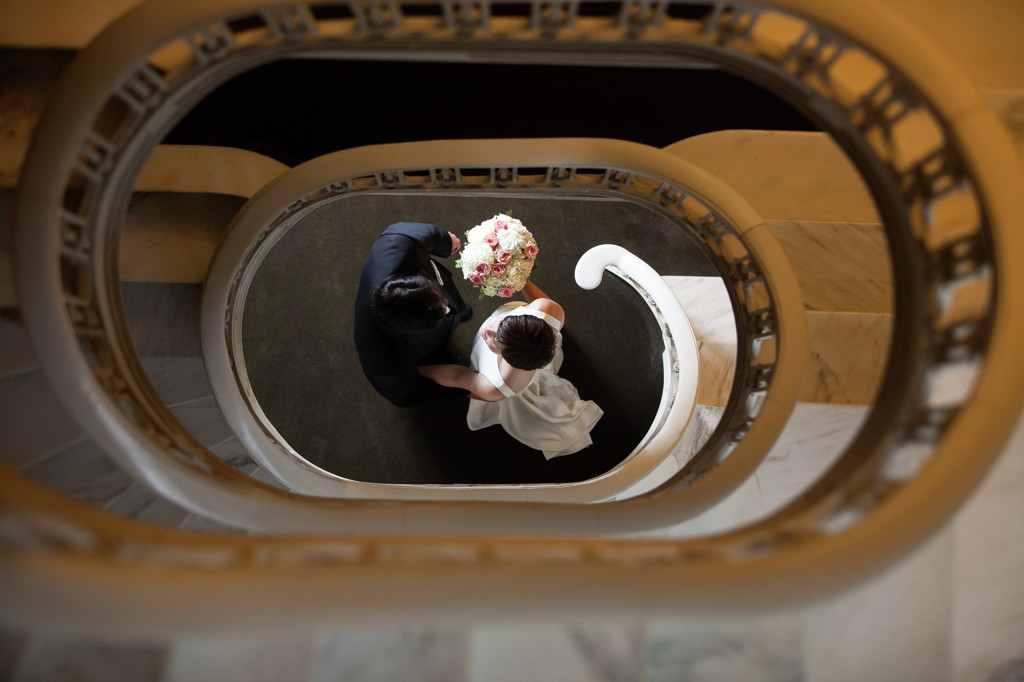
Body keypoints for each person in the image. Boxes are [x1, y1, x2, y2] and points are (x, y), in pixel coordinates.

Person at [418, 281, 603, 459]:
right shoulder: (547, 309)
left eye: (495, 340)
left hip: (510, 381)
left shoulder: (494, 386)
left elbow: (457, 376)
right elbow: (531, 293)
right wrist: (516, 278)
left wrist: (418, 370)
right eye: (503, 322)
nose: (489, 329)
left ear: (508, 358)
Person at [353, 222, 473, 406]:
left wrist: (446, 242)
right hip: (425, 352)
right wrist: (466, 391)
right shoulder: (381, 357)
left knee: (456, 306)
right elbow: (406, 396)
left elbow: (406, 232)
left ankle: (458, 311)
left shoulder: (395, 244)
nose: (445, 307)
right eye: (441, 311)